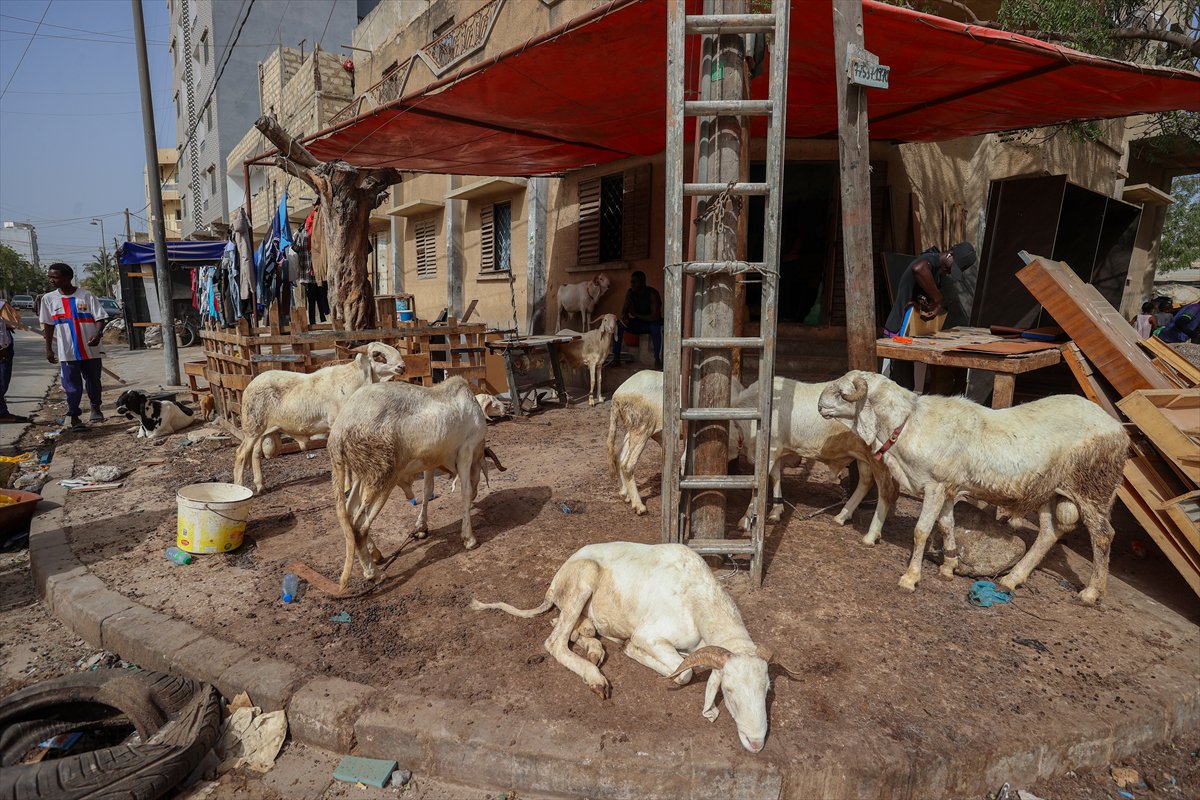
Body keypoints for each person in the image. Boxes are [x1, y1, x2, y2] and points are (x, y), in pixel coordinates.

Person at [39, 263, 109, 430]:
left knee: (93, 380)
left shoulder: (86, 296)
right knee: (71, 385)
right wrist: (48, 348)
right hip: (68, 351)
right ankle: (74, 415)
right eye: (50, 277)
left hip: (90, 349)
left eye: (55, 277)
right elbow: (48, 325)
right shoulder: (48, 299)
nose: (51, 280)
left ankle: (95, 407)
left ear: (67, 278)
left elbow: (101, 318)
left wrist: (98, 334)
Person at [884, 242, 977, 337]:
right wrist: (937, 299)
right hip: (897, 330)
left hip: (913, 331)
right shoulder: (930, 259)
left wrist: (931, 307)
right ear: (949, 254)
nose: (949, 272)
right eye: (952, 267)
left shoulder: (939, 273)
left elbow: (942, 300)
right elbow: (918, 269)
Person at [611, 270, 663, 369]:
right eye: (631, 282)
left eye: (635, 282)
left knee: (657, 329)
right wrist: (625, 316)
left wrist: (635, 314)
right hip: (639, 323)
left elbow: (654, 316)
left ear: (642, 282)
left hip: (652, 323)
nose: (632, 284)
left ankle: (658, 360)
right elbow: (624, 313)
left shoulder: (652, 293)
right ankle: (616, 358)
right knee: (618, 325)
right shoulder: (630, 293)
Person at [0, 296, 31, 424]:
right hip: (2, 349)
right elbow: (15, 321)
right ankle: (1, 413)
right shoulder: (1, 305)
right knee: (2, 381)